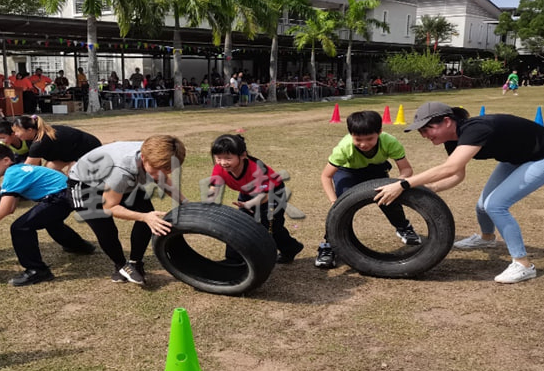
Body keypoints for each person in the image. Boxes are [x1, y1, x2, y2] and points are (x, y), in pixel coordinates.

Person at [374, 102, 544, 284]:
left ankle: (523, 265)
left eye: (427, 129)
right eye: (421, 131)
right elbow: (458, 175)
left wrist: (404, 184)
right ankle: (487, 239)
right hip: (517, 158)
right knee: (483, 206)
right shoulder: (452, 140)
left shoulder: (475, 129)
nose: (424, 135)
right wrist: (432, 188)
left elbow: (450, 168)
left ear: (447, 121)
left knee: (495, 205)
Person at [0, 143, 94, 286]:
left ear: (6, 160)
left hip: (60, 196)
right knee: (50, 221)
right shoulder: (18, 170)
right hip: (69, 193)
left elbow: (5, 210)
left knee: (20, 227)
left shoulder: (12, 175)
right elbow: (10, 207)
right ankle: (79, 246)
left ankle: (37, 270)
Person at [67, 135, 188, 285]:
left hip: (114, 178)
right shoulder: (121, 171)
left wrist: (185, 203)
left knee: (147, 212)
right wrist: (144, 217)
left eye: (168, 170)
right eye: (157, 169)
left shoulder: (155, 152)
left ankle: (135, 262)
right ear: (143, 158)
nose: (161, 175)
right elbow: (110, 207)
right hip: (85, 185)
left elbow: (162, 179)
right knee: (105, 228)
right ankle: (121, 265)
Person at [314, 110, 421, 269]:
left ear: (380, 132)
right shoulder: (345, 147)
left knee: (388, 197)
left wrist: (397, 184)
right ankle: (329, 245)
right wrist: (334, 202)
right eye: (358, 139)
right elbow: (326, 176)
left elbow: (406, 170)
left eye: (369, 139)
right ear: (351, 134)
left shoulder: (390, 142)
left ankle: (404, 228)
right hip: (348, 171)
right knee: (343, 208)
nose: (363, 144)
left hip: (375, 170)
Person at [209, 134, 304, 264]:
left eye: (228, 158)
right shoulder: (220, 168)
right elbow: (215, 187)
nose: (223, 162)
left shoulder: (257, 169)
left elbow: (265, 196)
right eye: (218, 158)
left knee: (269, 228)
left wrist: (249, 204)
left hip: (272, 194)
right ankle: (233, 260)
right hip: (248, 194)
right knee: (238, 224)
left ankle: (290, 248)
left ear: (243, 155)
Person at [11, 114, 102, 173]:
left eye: (17, 131)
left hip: (89, 148)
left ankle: (72, 192)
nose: (15, 134)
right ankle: (64, 189)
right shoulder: (30, 138)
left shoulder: (40, 142)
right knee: (50, 169)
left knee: (73, 173)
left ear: (30, 130)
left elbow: (27, 168)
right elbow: (36, 165)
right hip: (70, 150)